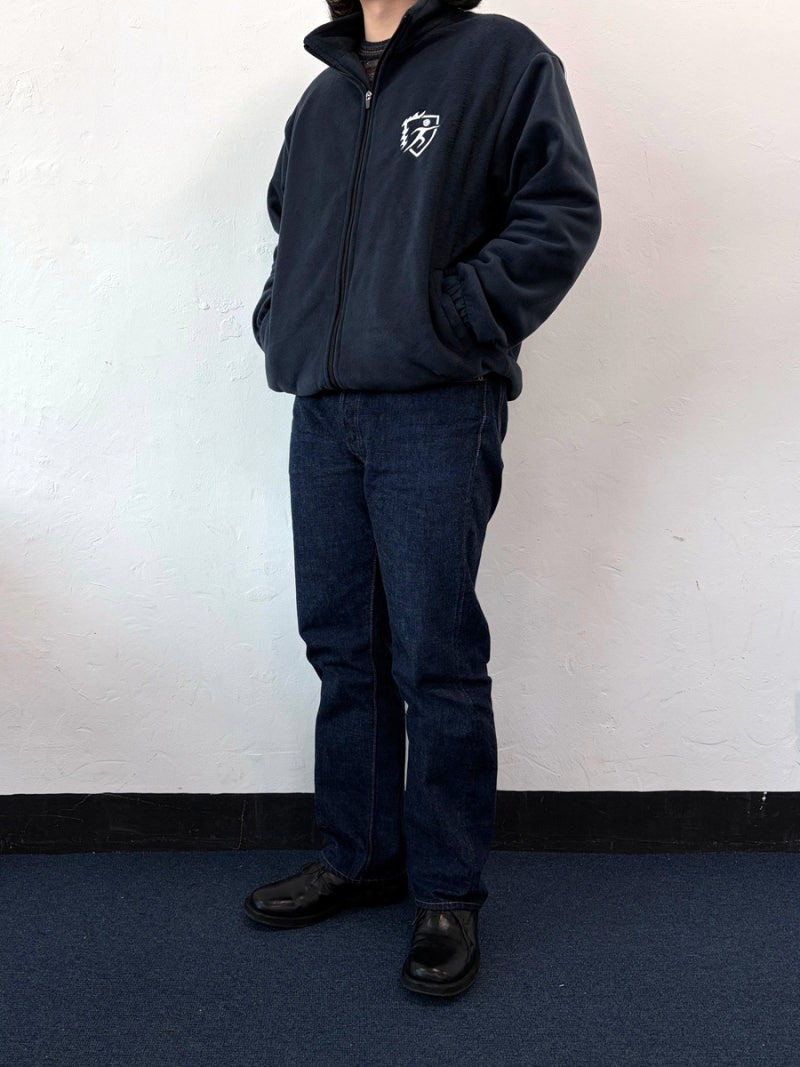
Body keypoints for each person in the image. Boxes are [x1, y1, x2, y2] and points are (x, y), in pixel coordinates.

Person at [243, 0, 601, 997]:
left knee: (433, 655)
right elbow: (291, 231)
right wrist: (283, 321)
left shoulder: (500, 58)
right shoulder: (320, 100)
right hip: (323, 407)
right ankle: (360, 855)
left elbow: (561, 212)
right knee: (341, 645)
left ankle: (447, 891)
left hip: (436, 404)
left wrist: (454, 316)